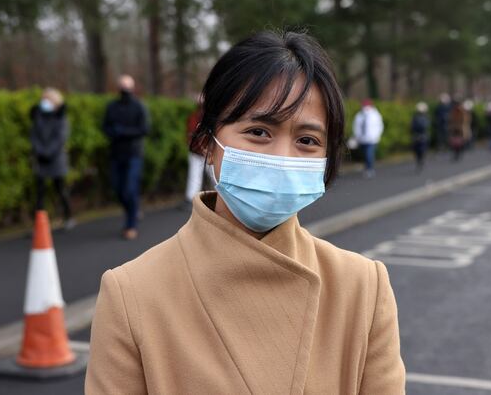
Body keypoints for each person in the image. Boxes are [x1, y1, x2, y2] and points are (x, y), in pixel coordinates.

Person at [85, 31, 405, 394]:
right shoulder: (132, 295)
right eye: (258, 131)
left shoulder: (363, 287)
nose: (282, 157)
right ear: (208, 143)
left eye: (307, 141)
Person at [102, 75, 150, 240]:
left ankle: (131, 225)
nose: (124, 90)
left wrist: (123, 132)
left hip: (133, 154)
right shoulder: (112, 107)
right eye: (122, 86)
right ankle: (134, 209)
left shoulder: (139, 106)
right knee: (118, 189)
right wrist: (113, 132)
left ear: (132, 88)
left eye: (127, 87)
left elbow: (144, 129)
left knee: (130, 189)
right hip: (116, 154)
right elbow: (106, 127)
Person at [30, 88, 74, 229]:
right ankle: (39, 223)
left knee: (60, 189)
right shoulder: (39, 117)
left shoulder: (61, 118)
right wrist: (40, 151)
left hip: (56, 159)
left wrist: (48, 152)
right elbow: (34, 136)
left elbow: (60, 138)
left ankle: (68, 216)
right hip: (41, 159)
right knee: (40, 193)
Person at [183, 93, 206, 210]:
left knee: (215, 176)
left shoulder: (210, 118)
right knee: (194, 176)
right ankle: (190, 199)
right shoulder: (194, 117)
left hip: (209, 152)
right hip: (197, 152)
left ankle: (221, 200)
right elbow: (189, 135)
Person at [353, 99, 384, 178]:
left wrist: (376, 136)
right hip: (362, 139)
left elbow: (379, 126)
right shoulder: (359, 115)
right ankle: (367, 168)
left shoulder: (375, 115)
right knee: (365, 155)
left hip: (372, 139)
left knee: (369, 154)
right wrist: (357, 136)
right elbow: (356, 127)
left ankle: (370, 169)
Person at [411, 102, 429, 172]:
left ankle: (420, 161)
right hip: (418, 136)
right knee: (417, 150)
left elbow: (425, 126)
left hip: (421, 136)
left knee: (421, 150)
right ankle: (419, 161)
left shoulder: (425, 117)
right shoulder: (416, 117)